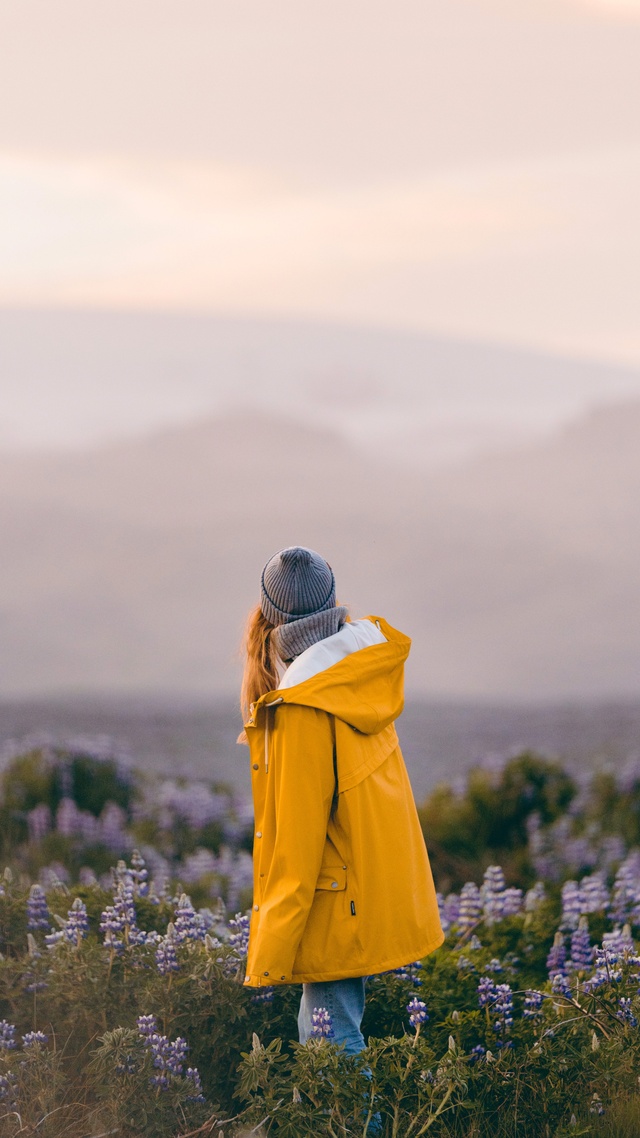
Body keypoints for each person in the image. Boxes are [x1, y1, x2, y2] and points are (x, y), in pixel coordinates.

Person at [239, 545, 444, 1057]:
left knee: (329, 1039)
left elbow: (296, 839)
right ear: (331, 602)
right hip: (371, 885)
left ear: (269, 616)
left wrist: (269, 949)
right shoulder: (359, 670)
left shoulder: (304, 704)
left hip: (333, 896)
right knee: (334, 1028)